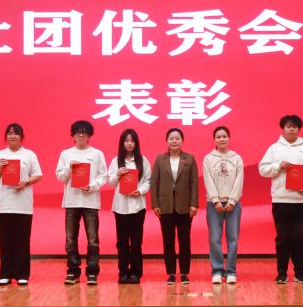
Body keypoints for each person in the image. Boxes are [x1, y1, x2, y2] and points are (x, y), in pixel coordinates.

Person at [258, 115, 303, 285]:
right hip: (280, 199)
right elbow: (262, 169)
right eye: (288, 126)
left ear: (299, 129)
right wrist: (277, 166)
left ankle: (300, 273)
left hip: (300, 200)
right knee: (282, 238)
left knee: (298, 238)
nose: (291, 129)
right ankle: (282, 273)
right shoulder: (274, 148)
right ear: (283, 129)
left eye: (294, 126)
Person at [0, 123, 43, 286]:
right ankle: (5, 273)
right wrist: (0, 169)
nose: (12, 136)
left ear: (21, 137)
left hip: (23, 204)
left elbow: (38, 175)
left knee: (22, 241)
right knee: (5, 241)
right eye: (9, 133)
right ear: (6, 137)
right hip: (3, 203)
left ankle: (21, 274)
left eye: (16, 133)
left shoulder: (29, 155)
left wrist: (26, 182)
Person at [55, 120, 108, 286]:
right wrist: (69, 168)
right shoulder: (66, 154)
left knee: (93, 239)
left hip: (90, 202)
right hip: (71, 202)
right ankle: (73, 271)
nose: (81, 135)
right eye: (78, 132)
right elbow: (60, 176)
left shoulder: (97, 154)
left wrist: (92, 186)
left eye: (84, 132)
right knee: (71, 239)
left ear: (89, 135)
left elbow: (103, 176)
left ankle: (92, 272)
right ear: (73, 135)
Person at [150, 128, 199, 285]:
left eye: (177, 138)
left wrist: (194, 204)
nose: (174, 141)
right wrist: (155, 204)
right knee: (168, 241)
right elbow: (154, 182)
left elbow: (194, 183)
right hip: (165, 206)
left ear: (182, 140)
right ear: (167, 141)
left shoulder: (189, 159)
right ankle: (171, 273)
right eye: (171, 138)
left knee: (185, 241)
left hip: (185, 206)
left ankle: (184, 273)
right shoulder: (160, 159)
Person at [107, 129, 151, 284]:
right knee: (122, 242)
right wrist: (117, 174)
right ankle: (123, 272)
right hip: (120, 207)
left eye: (132, 141)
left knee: (136, 242)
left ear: (136, 143)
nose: (129, 143)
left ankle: (136, 273)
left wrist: (140, 191)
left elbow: (148, 180)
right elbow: (110, 183)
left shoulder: (143, 160)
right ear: (122, 143)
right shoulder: (116, 161)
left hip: (138, 206)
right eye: (126, 140)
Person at [202, 125, 244, 285]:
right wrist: (215, 200)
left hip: (233, 204)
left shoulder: (237, 158)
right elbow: (208, 180)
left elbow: (239, 181)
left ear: (229, 138)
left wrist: (232, 201)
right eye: (218, 137)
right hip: (214, 204)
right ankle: (217, 271)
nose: (222, 139)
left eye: (224, 136)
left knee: (233, 239)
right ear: (214, 140)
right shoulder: (208, 158)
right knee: (214, 239)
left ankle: (231, 271)